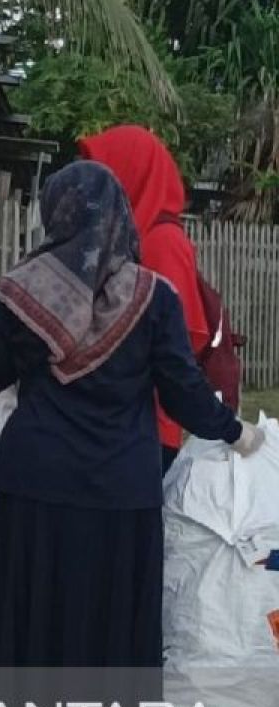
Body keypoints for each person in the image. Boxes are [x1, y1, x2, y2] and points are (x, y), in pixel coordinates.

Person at [0, 161, 264, 707]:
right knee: (96, 614)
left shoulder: (21, 290)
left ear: (57, 212)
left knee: (24, 604)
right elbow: (181, 390)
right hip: (117, 486)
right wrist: (236, 431)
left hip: (33, 478)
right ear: (120, 217)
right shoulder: (153, 297)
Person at [78, 125, 209, 474]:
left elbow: (177, 344)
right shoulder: (124, 237)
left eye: (103, 174)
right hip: (115, 420)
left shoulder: (162, 241)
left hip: (144, 426)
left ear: (129, 175)